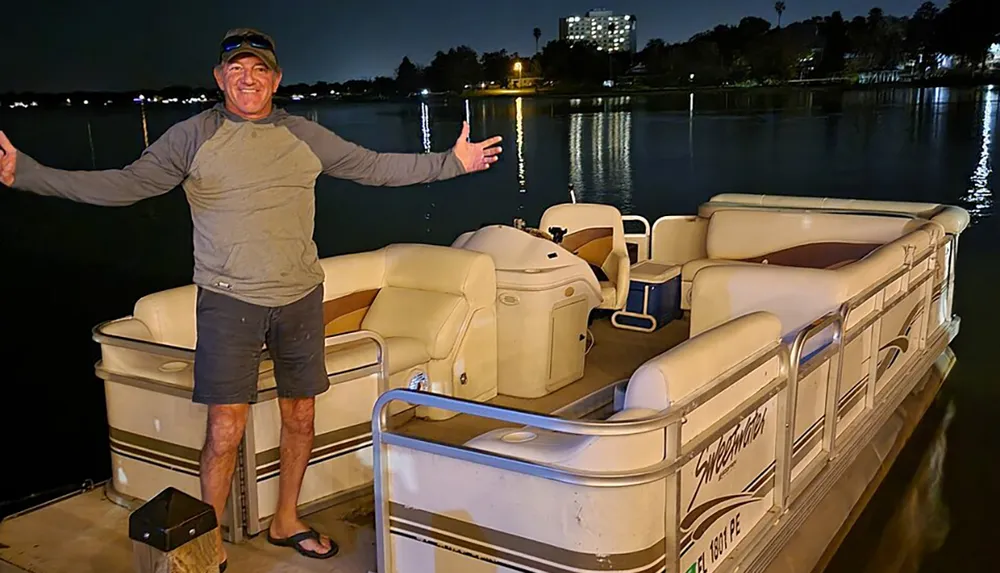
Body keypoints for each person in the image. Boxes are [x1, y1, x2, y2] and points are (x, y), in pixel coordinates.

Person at [0, 28, 502, 569]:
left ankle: (286, 519)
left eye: (258, 68)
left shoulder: (305, 135)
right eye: (236, 69)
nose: (247, 78)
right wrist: (27, 173)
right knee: (224, 429)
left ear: (275, 79)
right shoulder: (191, 137)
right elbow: (125, 185)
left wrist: (450, 163)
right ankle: (204, 543)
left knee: (301, 417)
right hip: (228, 302)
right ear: (219, 79)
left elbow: (375, 168)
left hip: (300, 298)